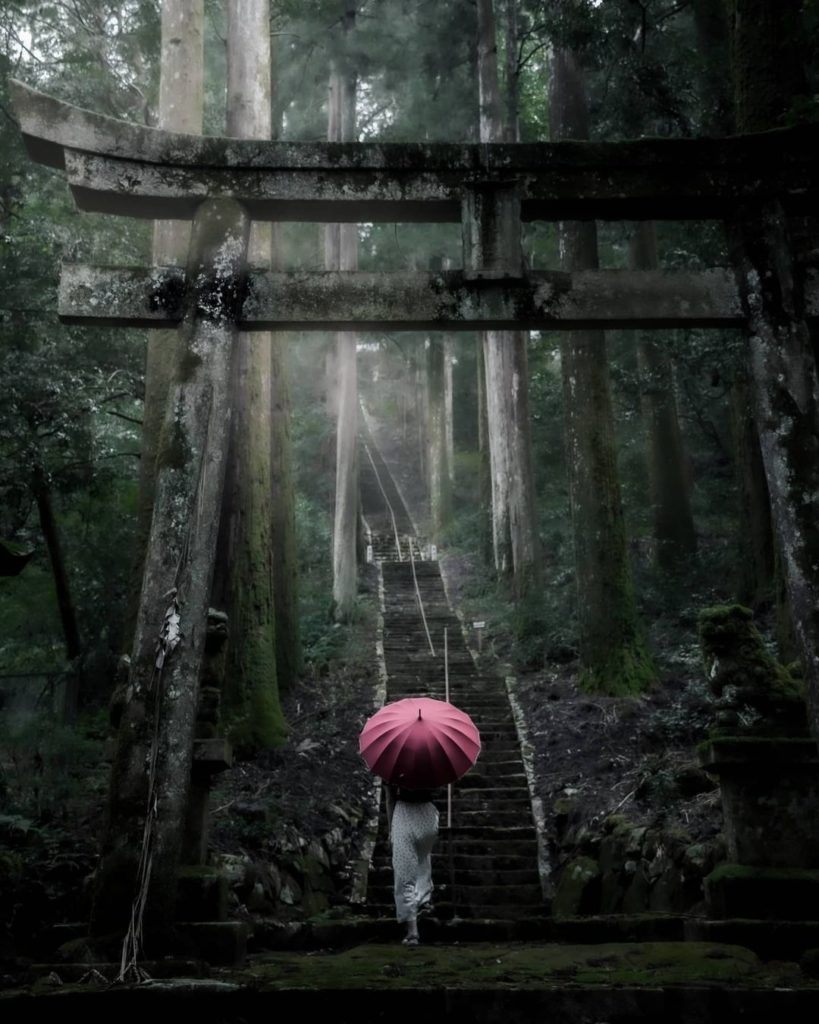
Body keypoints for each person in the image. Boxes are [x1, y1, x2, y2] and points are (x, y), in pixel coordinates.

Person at [385, 782, 439, 945]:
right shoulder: (432, 762)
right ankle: (422, 898)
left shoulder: (393, 765)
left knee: (404, 874)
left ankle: (413, 931)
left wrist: (390, 829)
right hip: (428, 815)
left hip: (404, 814)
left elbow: (390, 798)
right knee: (422, 864)